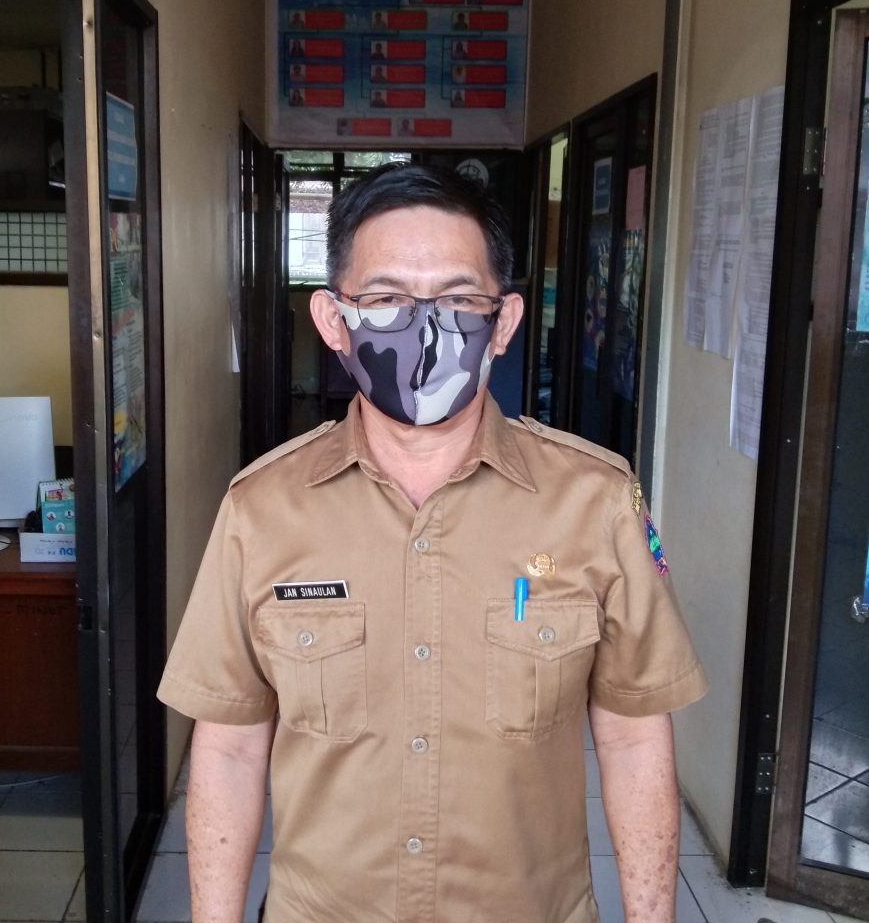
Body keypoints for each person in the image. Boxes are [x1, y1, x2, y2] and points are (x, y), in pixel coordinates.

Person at [158, 163, 707, 923]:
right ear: (333, 320)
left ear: (503, 323)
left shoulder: (596, 501)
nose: (424, 328)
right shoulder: (262, 509)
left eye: (457, 300)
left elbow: (633, 736)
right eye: (385, 300)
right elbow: (228, 746)